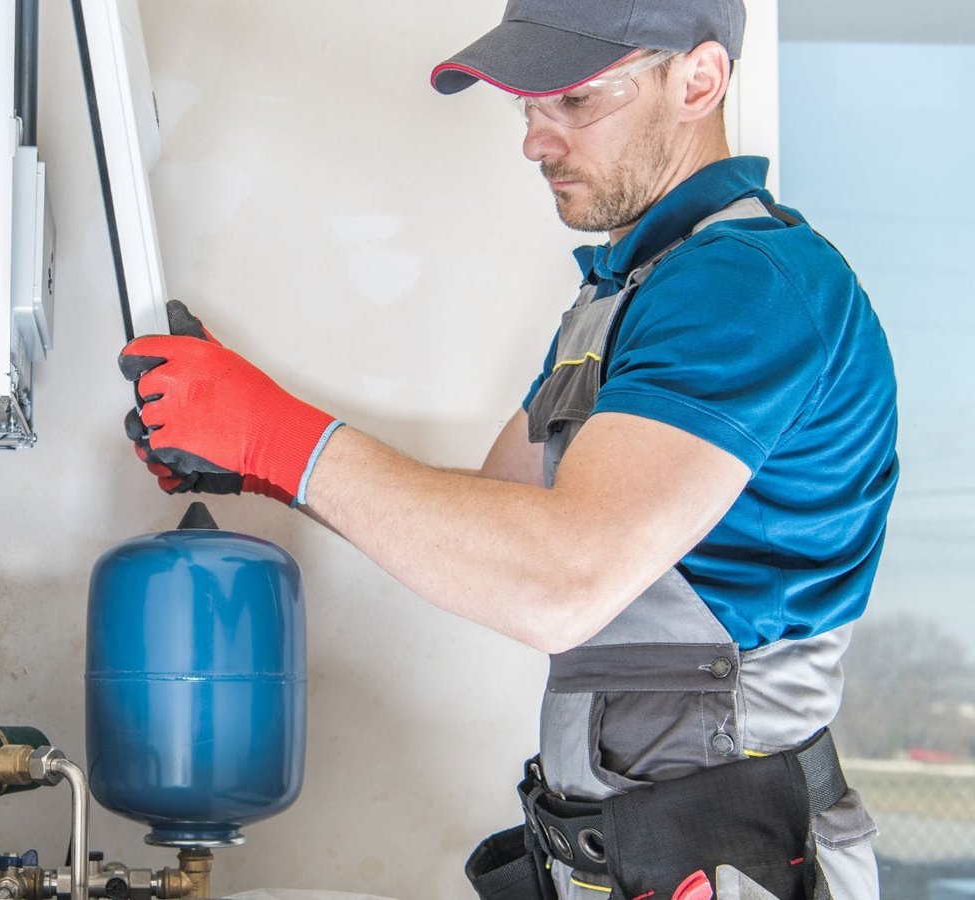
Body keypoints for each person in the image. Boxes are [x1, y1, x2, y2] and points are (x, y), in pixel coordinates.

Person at [116, 1, 899, 898]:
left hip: (732, 862)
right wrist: (262, 466)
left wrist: (282, 438)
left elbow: (557, 580)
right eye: (526, 106)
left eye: (573, 99)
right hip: (642, 856)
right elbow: (496, 529)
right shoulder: (628, 292)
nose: (535, 141)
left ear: (699, 80)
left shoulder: (745, 285)